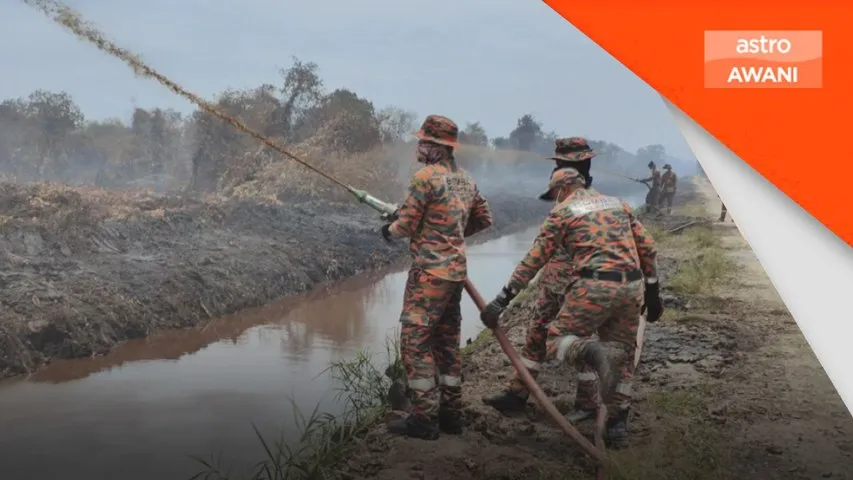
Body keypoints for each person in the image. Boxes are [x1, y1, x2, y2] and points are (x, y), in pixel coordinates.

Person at [479, 167, 664, 449]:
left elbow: (534, 260)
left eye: (555, 194)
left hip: (594, 286)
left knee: (556, 339)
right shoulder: (618, 204)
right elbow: (648, 248)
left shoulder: (563, 212)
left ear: (564, 188)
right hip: (631, 287)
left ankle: (590, 350)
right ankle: (618, 426)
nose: (555, 199)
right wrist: (653, 292)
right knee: (623, 355)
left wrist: (502, 300)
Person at [380, 114, 493, 440]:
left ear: (435, 147)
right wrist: (453, 233)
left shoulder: (424, 178)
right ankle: (451, 417)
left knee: (415, 345)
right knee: (446, 345)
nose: (418, 146)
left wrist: (389, 230)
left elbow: (406, 226)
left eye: (423, 141)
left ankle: (424, 420)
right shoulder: (466, 180)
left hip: (429, 275)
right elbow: (484, 218)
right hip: (455, 275)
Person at [482, 137, 599, 423]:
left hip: (573, 285)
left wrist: (504, 298)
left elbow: (536, 255)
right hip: (562, 283)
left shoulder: (579, 204)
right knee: (537, 333)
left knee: (577, 341)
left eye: (560, 163)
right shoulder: (587, 200)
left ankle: (588, 404)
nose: (556, 167)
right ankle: (519, 391)